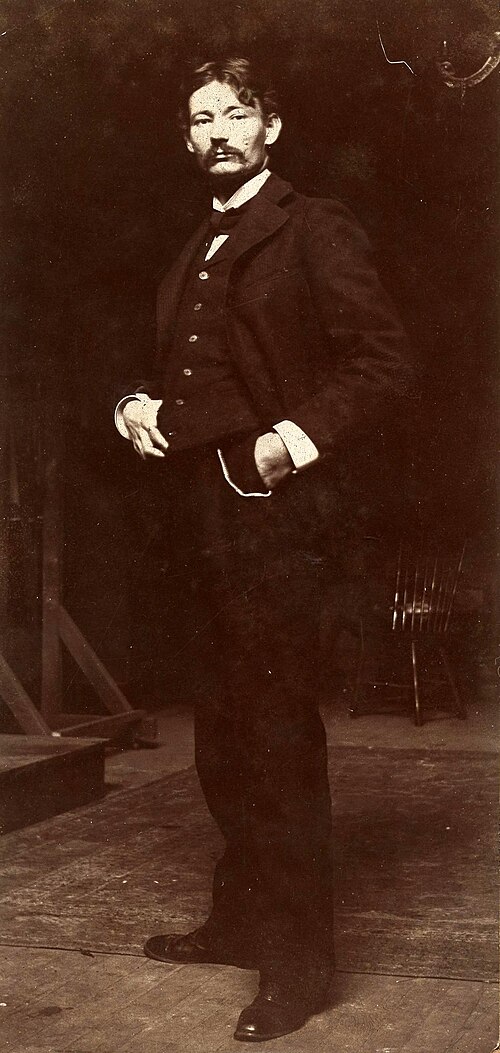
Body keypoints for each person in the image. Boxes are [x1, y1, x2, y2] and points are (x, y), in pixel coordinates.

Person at [114, 57, 411, 1043]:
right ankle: (241, 918)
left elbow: (382, 362)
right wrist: (134, 403)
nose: (216, 132)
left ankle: (297, 964)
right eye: (199, 119)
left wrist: (290, 440)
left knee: (276, 740)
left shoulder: (313, 224)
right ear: (186, 139)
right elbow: (169, 365)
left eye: (234, 114)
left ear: (270, 128)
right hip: (195, 519)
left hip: (276, 522)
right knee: (221, 736)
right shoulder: (193, 243)